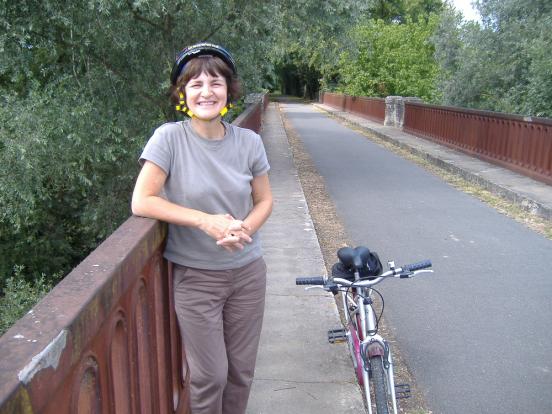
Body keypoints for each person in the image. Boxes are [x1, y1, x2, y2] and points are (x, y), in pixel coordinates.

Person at [131, 43, 273, 414]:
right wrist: (204, 220)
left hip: (248, 274)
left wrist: (243, 229)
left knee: (241, 373)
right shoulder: (169, 138)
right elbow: (142, 201)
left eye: (215, 82)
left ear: (229, 91)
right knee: (210, 376)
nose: (206, 92)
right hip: (196, 277)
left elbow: (264, 201)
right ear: (182, 93)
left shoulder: (249, 142)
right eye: (195, 84)